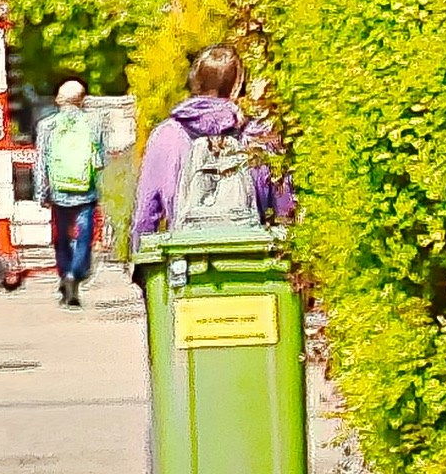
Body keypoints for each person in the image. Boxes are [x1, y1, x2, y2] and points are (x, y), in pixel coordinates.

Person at [132, 40, 296, 242]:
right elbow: (286, 211)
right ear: (238, 89)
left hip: (185, 260)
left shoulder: (165, 136)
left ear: (194, 83)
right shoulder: (261, 135)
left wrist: (140, 266)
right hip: (251, 261)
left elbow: (146, 216)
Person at [37, 76, 117, 306]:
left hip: (59, 189)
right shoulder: (93, 124)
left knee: (61, 236)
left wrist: (42, 192)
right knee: (84, 236)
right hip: (85, 189)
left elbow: (41, 162)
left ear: (60, 100)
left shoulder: (47, 125)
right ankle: (75, 275)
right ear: (82, 100)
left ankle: (64, 273)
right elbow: (100, 160)